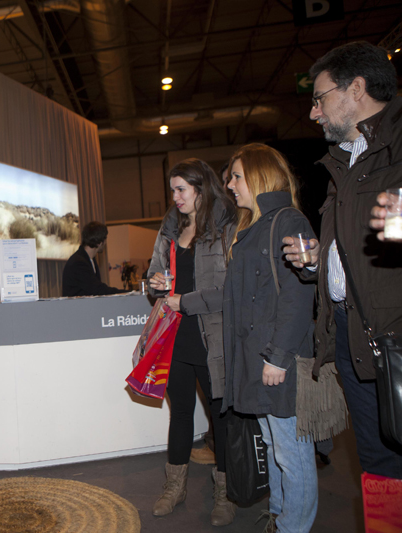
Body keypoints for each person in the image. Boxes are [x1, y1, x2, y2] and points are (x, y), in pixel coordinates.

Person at [282, 41, 402, 479]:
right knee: (378, 467)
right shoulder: (342, 163)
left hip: (395, 336)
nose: (314, 112)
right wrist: (318, 263)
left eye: (319, 98)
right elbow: (354, 248)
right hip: (354, 337)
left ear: (356, 88)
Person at [223, 144, 318, 533]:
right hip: (257, 361)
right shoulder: (250, 227)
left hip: (278, 362)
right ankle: (280, 518)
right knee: (278, 450)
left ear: (260, 177)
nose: (230, 184)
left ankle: (293, 526)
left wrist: (278, 357)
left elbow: (298, 297)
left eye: (237, 176)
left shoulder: (288, 221)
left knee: (292, 453)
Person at [146, 158, 237, 525]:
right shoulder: (170, 229)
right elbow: (155, 273)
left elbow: (231, 288)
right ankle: (175, 487)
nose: (175, 196)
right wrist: (154, 284)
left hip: (213, 336)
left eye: (181, 189)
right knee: (180, 412)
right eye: (173, 189)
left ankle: (225, 492)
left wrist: (186, 301)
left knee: (221, 417)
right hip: (175, 336)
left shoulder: (226, 228)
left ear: (201, 188)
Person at [62, 221, 127, 296]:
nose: (105, 243)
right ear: (99, 243)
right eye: (105, 239)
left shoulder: (89, 259)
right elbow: (97, 289)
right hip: (78, 307)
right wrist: (127, 293)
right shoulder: (78, 262)